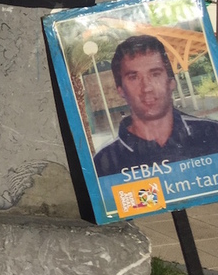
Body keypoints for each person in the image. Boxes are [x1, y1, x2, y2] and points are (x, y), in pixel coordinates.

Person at [93, 34, 218, 177]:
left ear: (171, 82)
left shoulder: (213, 133)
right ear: (120, 90)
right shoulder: (104, 163)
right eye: (134, 77)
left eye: (155, 74)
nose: (146, 88)